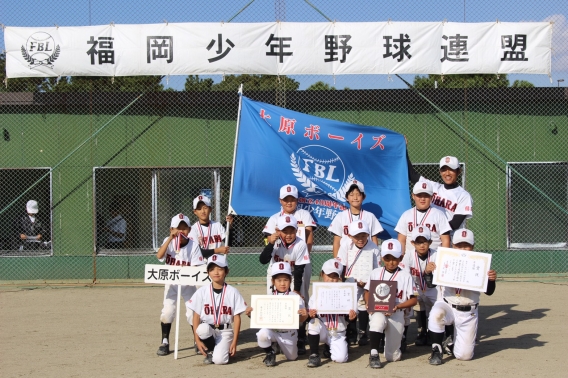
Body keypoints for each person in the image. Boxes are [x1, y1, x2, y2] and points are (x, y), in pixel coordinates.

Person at [427, 229, 497, 365]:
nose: (463, 248)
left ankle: (452, 341)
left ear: (473, 246)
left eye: (466, 245)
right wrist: (428, 272)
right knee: (436, 314)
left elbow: (489, 292)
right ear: (453, 245)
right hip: (447, 304)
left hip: (468, 311)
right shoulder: (444, 259)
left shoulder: (480, 263)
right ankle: (436, 349)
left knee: (464, 356)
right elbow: (430, 284)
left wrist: (491, 280)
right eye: (459, 245)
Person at [263, 184, 317, 354]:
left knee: (300, 297)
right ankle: (276, 337)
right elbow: (266, 246)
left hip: (299, 263)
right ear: (280, 200)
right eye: (286, 199)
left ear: (297, 200)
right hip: (278, 269)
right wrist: (271, 240)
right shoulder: (273, 219)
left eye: (292, 199)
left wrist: (303, 254)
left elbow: (309, 236)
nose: (289, 202)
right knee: (275, 300)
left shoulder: (303, 215)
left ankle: (299, 336)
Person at [328, 179, 383, 344]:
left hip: (366, 262)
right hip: (348, 262)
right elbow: (337, 241)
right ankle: (351, 332)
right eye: (351, 194)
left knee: (364, 301)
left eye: (358, 194)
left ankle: (363, 332)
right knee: (348, 299)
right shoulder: (341, 216)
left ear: (363, 197)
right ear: (346, 197)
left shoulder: (370, 217)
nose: (355, 197)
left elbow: (374, 239)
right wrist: (338, 267)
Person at [155, 213, 205, 356]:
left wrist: (186, 273)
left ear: (189, 230)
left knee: (191, 313)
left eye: (184, 228)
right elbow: (159, 256)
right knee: (167, 312)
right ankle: (165, 341)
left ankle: (197, 340)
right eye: (178, 228)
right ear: (171, 229)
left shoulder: (193, 245)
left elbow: (197, 267)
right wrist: (170, 238)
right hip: (171, 283)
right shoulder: (168, 241)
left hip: (188, 284)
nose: (181, 232)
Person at [364, 239, 417, 369]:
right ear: (382, 258)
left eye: (394, 258)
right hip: (379, 310)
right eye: (387, 258)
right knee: (377, 320)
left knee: (393, 357)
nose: (391, 262)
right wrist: (368, 303)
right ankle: (374, 353)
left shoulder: (405, 276)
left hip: (396, 312)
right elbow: (367, 291)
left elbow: (414, 300)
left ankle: (398, 344)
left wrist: (398, 306)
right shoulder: (375, 273)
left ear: (401, 258)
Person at [246, 262, 309, 367]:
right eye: (279, 280)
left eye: (286, 280)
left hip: (288, 333)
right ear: (273, 281)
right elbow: (260, 318)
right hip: (272, 331)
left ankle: (282, 346)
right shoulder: (268, 297)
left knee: (292, 358)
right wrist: (251, 314)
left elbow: (301, 320)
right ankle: (270, 352)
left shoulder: (296, 298)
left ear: (290, 280)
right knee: (262, 334)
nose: (282, 283)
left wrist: (304, 315)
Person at [189, 254, 247, 365]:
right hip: (208, 329)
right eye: (212, 269)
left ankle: (219, 350)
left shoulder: (232, 291)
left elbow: (237, 318)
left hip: (225, 331)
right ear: (207, 272)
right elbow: (196, 316)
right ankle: (211, 350)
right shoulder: (202, 291)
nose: (216, 272)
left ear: (226, 271)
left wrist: (234, 342)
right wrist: (197, 340)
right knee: (202, 329)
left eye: (220, 269)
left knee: (220, 361)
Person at [336, 220, 380, 347]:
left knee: (364, 305)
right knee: (350, 304)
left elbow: (376, 270)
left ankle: (363, 332)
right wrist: (344, 282)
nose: (360, 239)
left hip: (367, 283)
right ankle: (352, 332)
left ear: (368, 235)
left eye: (363, 235)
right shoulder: (345, 246)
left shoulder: (373, 248)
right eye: (356, 236)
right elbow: (342, 266)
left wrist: (367, 284)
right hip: (351, 282)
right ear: (350, 236)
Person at [306, 259, 357, 367]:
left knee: (341, 359)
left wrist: (351, 318)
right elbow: (310, 314)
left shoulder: (345, 292)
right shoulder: (317, 293)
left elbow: (349, 317)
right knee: (313, 323)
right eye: (329, 275)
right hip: (323, 330)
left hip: (338, 332)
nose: (332, 279)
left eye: (335, 276)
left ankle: (330, 347)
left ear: (339, 278)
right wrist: (311, 314)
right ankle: (314, 354)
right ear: (322, 274)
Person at [406, 152, 473, 232]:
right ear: (440, 172)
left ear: (459, 171)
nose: (447, 173)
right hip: (429, 236)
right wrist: (404, 149)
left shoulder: (464, 196)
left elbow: (455, 224)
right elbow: (412, 175)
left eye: (451, 170)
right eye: (444, 170)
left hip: (450, 238)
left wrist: (430, 230)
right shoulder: (433, 187)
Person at [400, 226, 437, 348]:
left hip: (433, 288)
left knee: (439, 307)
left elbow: (437, 280)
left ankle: (436, 333)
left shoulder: (436, 255)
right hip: (415, 287)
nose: (422, 245)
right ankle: (421, 332)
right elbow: (404, 276)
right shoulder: (408, 256)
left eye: (424, 241)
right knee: (415, 304)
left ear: (430, 242)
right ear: (412, 243)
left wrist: (428, 274)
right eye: (418, 242)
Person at [395, 181, 451, 255]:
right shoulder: (406, 215)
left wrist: (443, 259)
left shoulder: (439, 214)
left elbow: (445, 240)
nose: (422, 199)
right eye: (419, 195)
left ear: (432, 197)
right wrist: (402, 258)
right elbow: (401, 240)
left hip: (433, 259)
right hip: (411, 260)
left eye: (426, 195)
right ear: (413, 196)